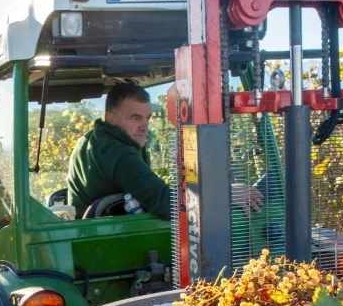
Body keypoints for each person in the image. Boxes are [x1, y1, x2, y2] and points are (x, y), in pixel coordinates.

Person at [67, 83, 264, 220]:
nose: (145, 126)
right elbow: (164, 203)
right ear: (111, 118)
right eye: (135, 118)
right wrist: (222, 195)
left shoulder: (90, 140)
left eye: (148, 118)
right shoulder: (120, 154)